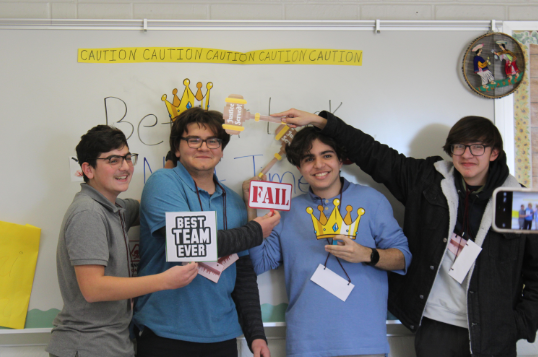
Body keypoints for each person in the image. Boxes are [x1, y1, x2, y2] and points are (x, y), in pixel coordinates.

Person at [273, 109, 538, 357]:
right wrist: (321, 122)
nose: (467, 155)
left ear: (494, 153)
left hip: (493, 330)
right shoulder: (428, 181)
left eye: (478, 147)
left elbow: (536, 270)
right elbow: (373, 153)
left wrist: (521, 324)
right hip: (435, 323)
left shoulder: (520, 201)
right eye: (459, 147)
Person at [248, 127, 411, 357]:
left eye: (327, 155)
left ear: (340, 160)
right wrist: (251, 210)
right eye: (308, 158)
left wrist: (367, 254)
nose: (319, 165)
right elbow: (258, 263)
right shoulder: (287, 211)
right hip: (305, 344)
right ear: (299, 167)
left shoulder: (372, 201)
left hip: (364, 343)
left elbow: (404, 258)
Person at [132, 107, 280, 357]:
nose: (204, 147)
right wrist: (255, 231)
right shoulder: (164, 183)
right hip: (165, 334)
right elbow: (187, 243)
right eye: (194, 140)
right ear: (177, 149)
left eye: (213, 141)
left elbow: (243, 274)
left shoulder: (233, 202)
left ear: (221, 150)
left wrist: (256, 335)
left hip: (222, 336)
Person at [46, 125, 199, 357]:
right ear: (88, 169)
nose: (126, 167)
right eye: (113, 160)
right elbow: (93, 288)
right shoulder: (88, 212)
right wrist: (164, 280)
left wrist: (168, 174)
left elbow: (152, 204)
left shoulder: (115, 208)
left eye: (128, 157)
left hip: (111, 342)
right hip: (89, 345)